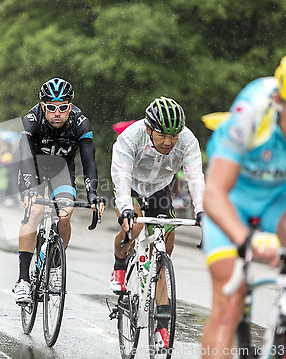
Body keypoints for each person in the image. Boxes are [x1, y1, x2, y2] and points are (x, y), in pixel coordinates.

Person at [201, 49, 286, 358]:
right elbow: (214, 193)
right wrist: (247, 240)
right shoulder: (254, 108)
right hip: (232, 196)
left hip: (279, 194)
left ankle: (283, 328)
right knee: (228, 306)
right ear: (280, 101)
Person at [110, 96, 205, 348]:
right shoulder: (131, 138)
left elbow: (195, 178)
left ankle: (161, 323)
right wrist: (126, 209)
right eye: (162, 135)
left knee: (166, 244)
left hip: (159, 189)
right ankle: (120, 264)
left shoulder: (187, 141)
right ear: (149, 129)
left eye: (174, 136)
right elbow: (121, 175)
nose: (168, 142)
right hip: (130, 186)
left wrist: (202, 210)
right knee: (136, 225)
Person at [14, 78, 105, 304]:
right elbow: (25, 156)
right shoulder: (32, 120)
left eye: (63, 107)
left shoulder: (80, 122)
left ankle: (55, 266)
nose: (57, 113)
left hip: (61, 170)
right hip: (32, 168)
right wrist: (29, 190)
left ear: (70, 106)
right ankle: (23, 280)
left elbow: (88, 162)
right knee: (35, 211)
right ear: (43, 106)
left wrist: (92, 194)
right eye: (51, 108)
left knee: (65, 214)